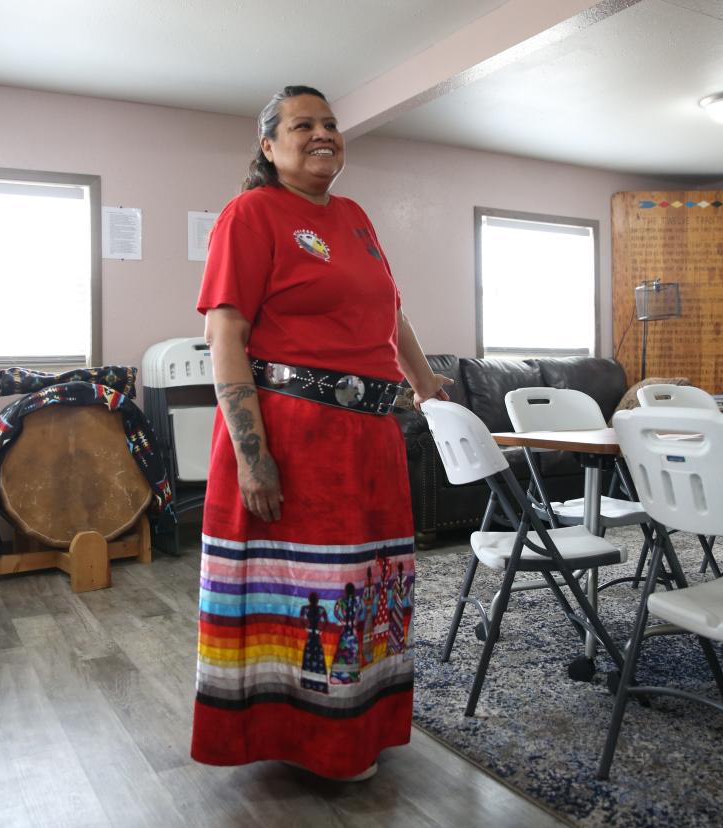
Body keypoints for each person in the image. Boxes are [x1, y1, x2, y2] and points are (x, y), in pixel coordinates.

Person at [191, 85, 449, 781]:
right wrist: (253, 457)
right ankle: (310, 743)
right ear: (269, 147)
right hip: (293, 434)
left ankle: (358, 728)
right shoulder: (250, 213)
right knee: (310, 592)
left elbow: (391, 313)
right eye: (302, 124)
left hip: (369, 438)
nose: (322, 133)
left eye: (330, 123)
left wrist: (426, 386)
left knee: (367, 583)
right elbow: (225, 336)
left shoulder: (357, 216)